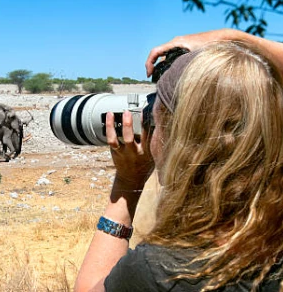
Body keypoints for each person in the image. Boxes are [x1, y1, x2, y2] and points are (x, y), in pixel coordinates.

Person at [74, 30, 283, 291]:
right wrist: (237, 40)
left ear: (178, 140)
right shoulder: (270, 236)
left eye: (156, 118)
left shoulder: (163, 269)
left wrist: (126, 187)